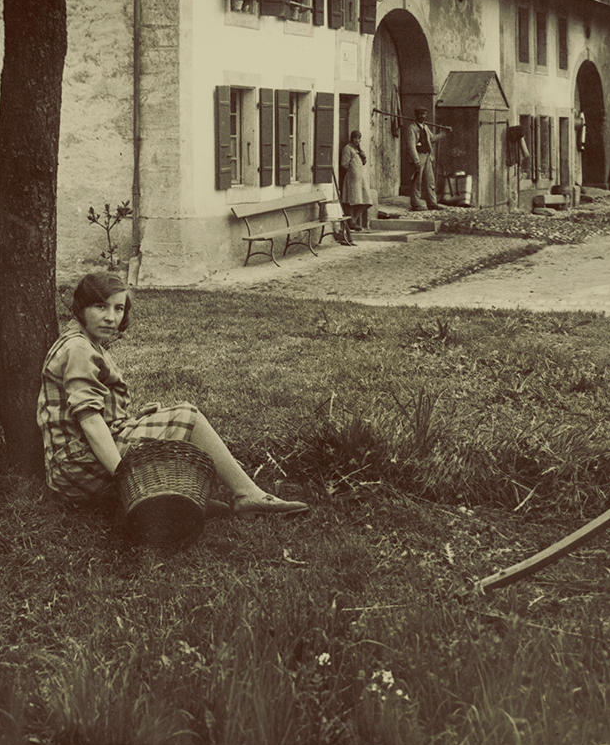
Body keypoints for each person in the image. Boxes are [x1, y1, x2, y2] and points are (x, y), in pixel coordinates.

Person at [37, 270, 309, 518]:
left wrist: (135, 421)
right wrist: (127, 479)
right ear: (81, 308)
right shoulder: (79, 349)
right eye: (100, 306)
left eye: (118, 308)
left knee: (168, 420)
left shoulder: (81, 342)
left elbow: (95, 414)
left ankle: (185, 497)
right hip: (79, 466)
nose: (111, 317)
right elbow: (90, 421)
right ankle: (247, 495)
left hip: (73, 466)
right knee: (186, 416)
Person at [405, 106, 451, 211]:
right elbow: (411, 146)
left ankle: (432, 203)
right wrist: (416, 160)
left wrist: (443, 134)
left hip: (427, 156)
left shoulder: (425, 127)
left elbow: (432, 138)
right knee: (417, 181)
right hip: (418, 156)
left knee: (430, 181)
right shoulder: (412, 128)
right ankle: (416, 204)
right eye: (420, 114)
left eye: (424, 114)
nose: (422, 116)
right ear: (416, 115)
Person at [340, 129, 373, 230]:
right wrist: (352, 169)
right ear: (352, 138)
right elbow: (344, 164)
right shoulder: (347, 148)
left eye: (359, 139)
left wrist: (363, 157)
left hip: (360, 179)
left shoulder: (358, 150)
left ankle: (353, 220)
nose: (357, 140)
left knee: (366, 201)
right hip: (351, 179)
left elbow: (362, 163)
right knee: (352, 200)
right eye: (355, 138)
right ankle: (351, 222)